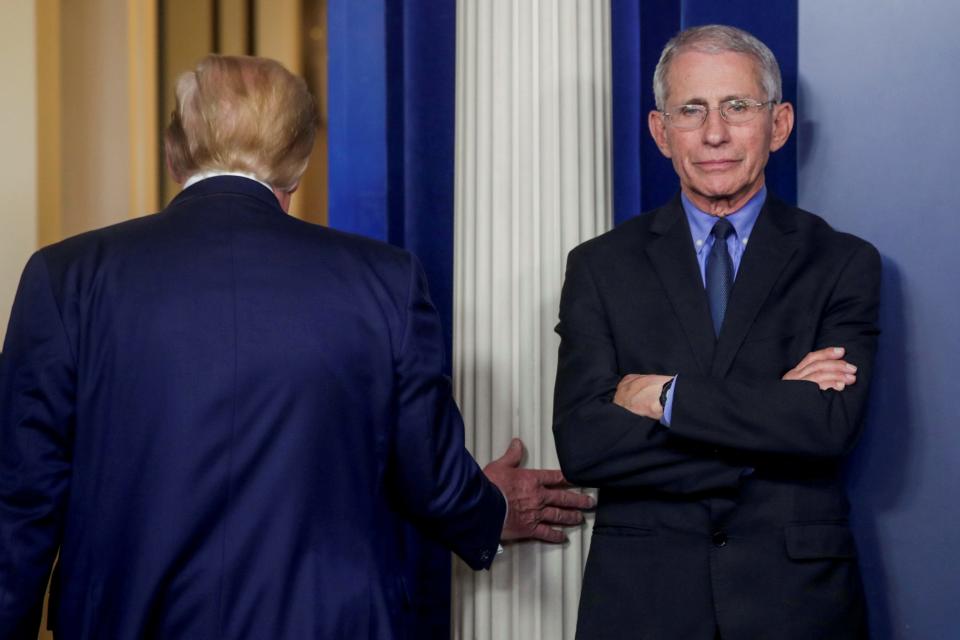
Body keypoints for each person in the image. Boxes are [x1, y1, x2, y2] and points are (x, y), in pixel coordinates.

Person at [0, 54, 592, 639]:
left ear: (173, 151)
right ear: (299, 163)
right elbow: (428, 473)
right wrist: (489, 511)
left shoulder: (65, 277)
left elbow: (19, 504)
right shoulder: (383, 279)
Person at [554, 24, 880, 639]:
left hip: (797, 606)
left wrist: (664, 397)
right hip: (642, 603)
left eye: (737, 106)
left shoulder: (841, 261)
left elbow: (827, 425)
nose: (714, 134)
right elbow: (585, 444)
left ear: (778, 124)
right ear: (660, 131)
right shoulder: (600, 265)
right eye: (691, 110)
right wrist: (768, 425)